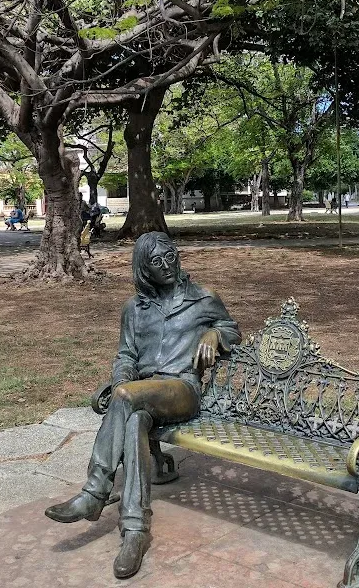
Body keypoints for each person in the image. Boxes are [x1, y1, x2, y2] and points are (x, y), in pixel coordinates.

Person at [44, 232, 241, 579]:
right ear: (143, 268)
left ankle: (95, 491)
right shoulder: (134, 309)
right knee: (134, 421)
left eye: (171, 256)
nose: (167, 265)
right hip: (141, 393)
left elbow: (231, 328)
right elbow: (125, 356)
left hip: (182, 389)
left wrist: (215, 334)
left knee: (124, 398)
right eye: (156, 261)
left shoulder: (203, 298)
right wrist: (123, 380)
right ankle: (134, 531)